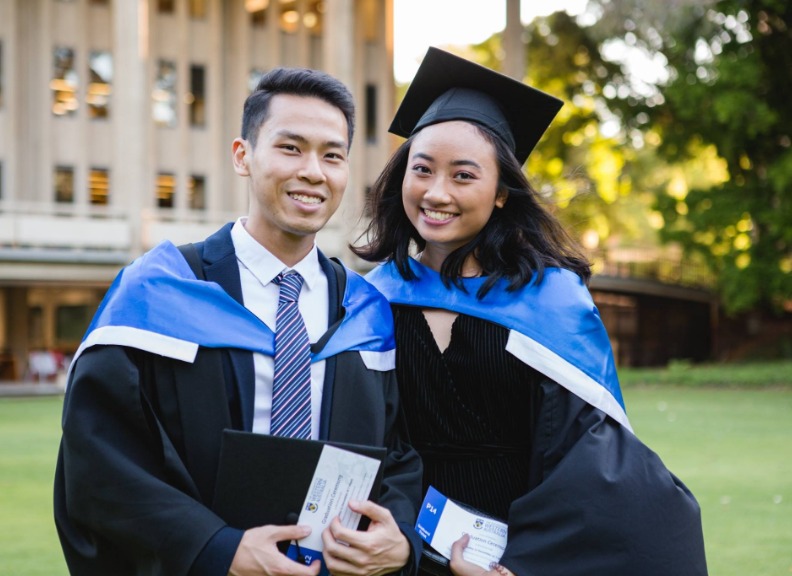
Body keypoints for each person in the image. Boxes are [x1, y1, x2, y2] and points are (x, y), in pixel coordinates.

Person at [54, 67, 423, 576]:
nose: (313, 172)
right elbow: (100, 458)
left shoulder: (366, 311)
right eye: (290, 148)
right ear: (242, 156)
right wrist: (216, 549)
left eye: (332, 155)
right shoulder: (158, 291)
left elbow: (399, 453)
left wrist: (399, 535)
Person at [355, 47, 708, 576]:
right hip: (398, 545)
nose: (436, 192)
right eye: (421, 169)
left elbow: (588, 463)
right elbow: (359, 437)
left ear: (501, 193)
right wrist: (400, 542)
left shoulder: (552, 300)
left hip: (520, 551)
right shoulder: (370, 299)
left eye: (463, 176)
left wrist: (522, 565)